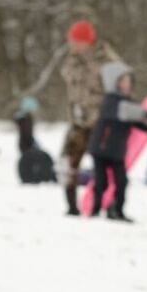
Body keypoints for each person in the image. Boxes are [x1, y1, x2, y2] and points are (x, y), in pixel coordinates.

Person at [60, 20, 125, 216]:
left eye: (76, 42)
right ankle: (71, 206)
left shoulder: (107, 61)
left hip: (101, 123)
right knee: (67, 163)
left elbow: (121, 89)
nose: (72, 46)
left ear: (87, 41)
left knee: (105, 168)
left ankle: (106, 205)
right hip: (79, 121)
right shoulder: (71, 61)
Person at [86, 63, 147, 222]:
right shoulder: (111, 102)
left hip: (117, 152)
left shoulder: (127, 102)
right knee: (102, 182)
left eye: (129, 81)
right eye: (123, 81)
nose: (127, 84)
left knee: (122, 182)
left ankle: (116, 211)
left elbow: (134, 122)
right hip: (101, 149)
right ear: (114, 82)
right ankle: (95, 210)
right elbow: (127, 112)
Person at [14, 96, 57, 184]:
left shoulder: (25, 118)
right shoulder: (26, 119)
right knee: (30, 161)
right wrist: (32, 145)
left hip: (27, 144)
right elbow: (27, 135)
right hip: (27, 145)